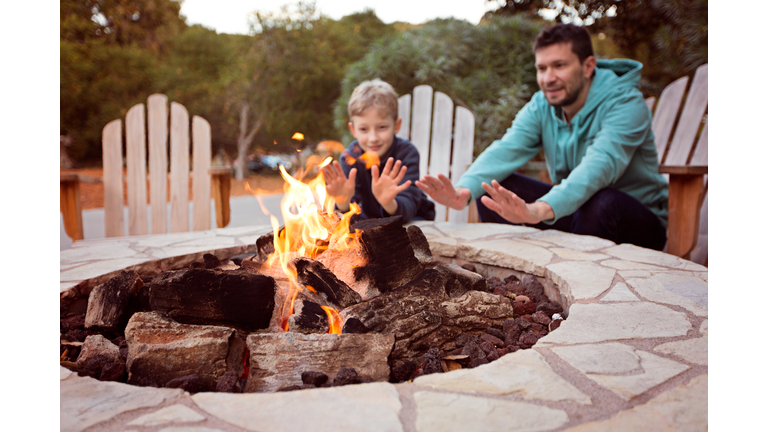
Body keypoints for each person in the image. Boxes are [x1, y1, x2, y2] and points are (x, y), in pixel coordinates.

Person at [415, 23, 669, 251]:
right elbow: (507, 148)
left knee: (601, 202)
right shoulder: (542, 106)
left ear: (588, 66)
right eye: (542, 68)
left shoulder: (626, 103)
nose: (548, 78)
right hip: (577, 213)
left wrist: (538, 210)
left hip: (637, 223)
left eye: (559, 65)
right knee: (494, 189)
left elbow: (600, 165)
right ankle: (516, 279)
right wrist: (462, 192)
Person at [321, 79, 435, 223]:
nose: (373, 138)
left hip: (411, 223)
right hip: (370, 226)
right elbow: (348, 218)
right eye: (364, 129)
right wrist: (343, 201)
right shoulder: (350, 158)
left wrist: (388, 202)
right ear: (353, 130)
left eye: (382, 127)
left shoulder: (406, 153)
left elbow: (410, 204)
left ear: (396, 125)